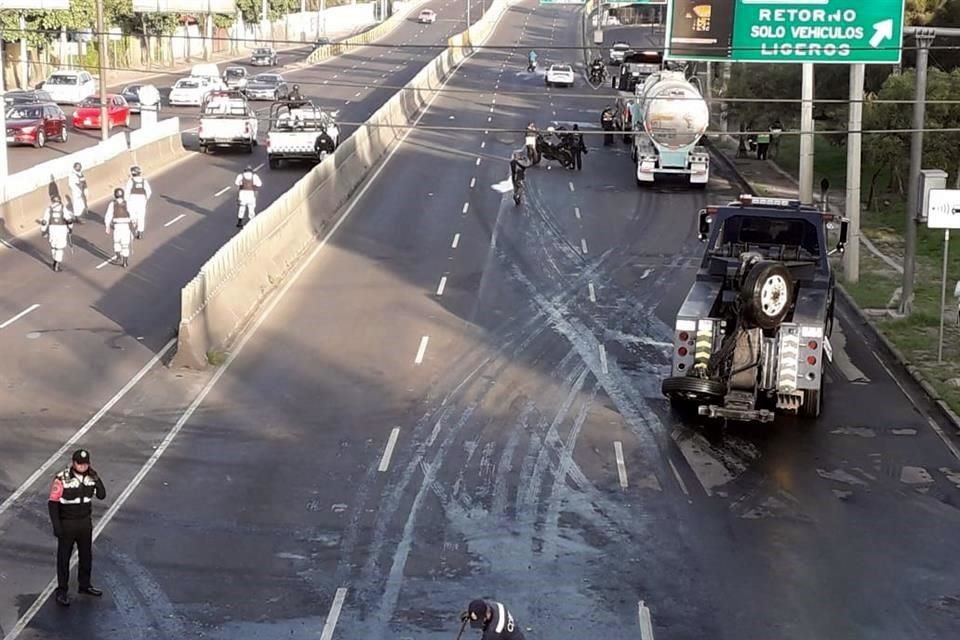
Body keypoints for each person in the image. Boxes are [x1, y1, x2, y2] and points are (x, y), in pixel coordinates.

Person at [48, 448, 106, 607]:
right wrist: (57, 526)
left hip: (84, 522)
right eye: (79, 464)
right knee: (64, 558)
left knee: (86, 555)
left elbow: (101, 495)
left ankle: (84, 585)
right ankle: (62, 591)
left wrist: (97, 478)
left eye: (85, 464)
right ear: (73, 463)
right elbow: (53, 503)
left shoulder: (91, 477)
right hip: (67, 523)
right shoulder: (62, 478)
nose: (82, 467)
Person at [40, 194, 74, 272]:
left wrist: (43, 230)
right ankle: (56, 263)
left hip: (52, 229)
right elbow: (69, 220)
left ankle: (54, 260)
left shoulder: (49, 209)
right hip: (61, 229)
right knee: (59, 247)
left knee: (53, 245)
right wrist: (70, 228)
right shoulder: (63, 208)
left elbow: (44, 221)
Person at [461, 599, 525, 640]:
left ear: (486, 615)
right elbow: (479, 606)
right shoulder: (491, 605)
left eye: (481, 620)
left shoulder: (493, 631)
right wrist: (471, 614)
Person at [104, 187, 135, 267]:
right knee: (125, 244)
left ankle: (118, 257)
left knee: (117, 242)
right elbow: (132, 214)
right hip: (126, 226)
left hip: (117, 226)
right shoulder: (127, 203)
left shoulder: (112, 204)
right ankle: (125, 262)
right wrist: (134, 222)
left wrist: (107, 226)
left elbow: (108, 215)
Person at [124, 165, 152, 239]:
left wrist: (126, 200)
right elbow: (149, 191)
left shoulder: (130, 181)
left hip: (132, 199)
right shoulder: (144, 180)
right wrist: (146, 199)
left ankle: (134, 222)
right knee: (141, 216)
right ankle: (140, 231)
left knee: (132, 213)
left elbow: (127, 191)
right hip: (141, 200)